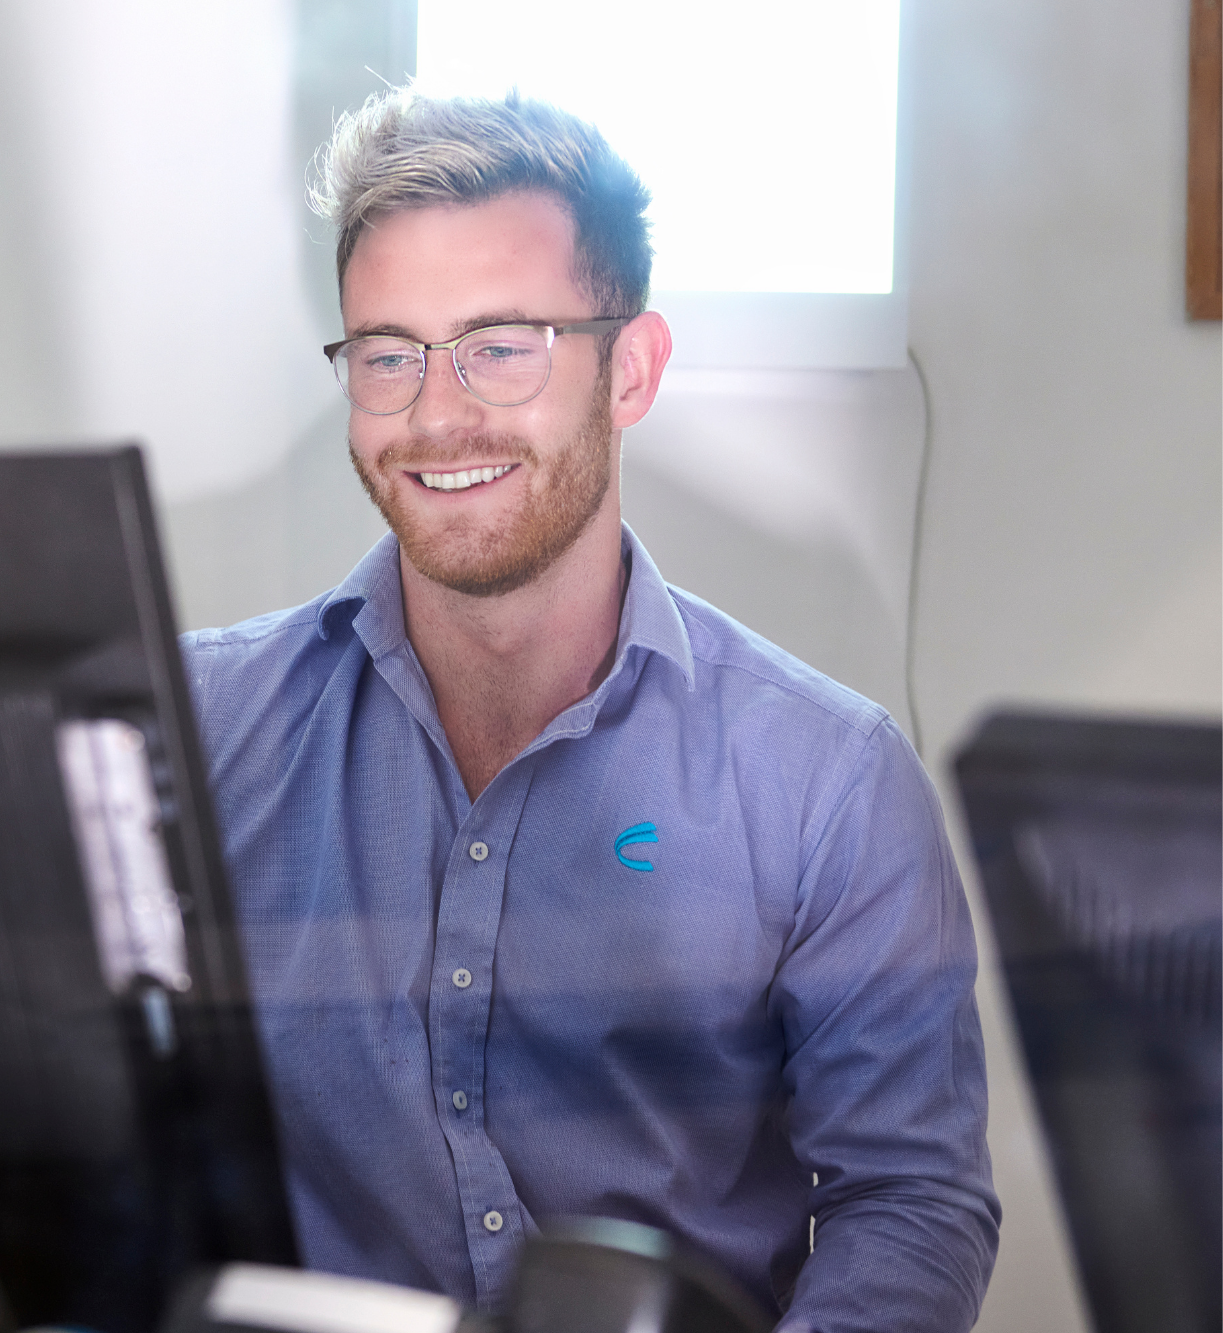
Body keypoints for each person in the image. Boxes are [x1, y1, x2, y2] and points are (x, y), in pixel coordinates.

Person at [180, 88, 1000, 1331]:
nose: (435, 413)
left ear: (631, 369)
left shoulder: (828, 783)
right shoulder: (194, 731)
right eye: (387, 353)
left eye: (501, 345)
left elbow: (910, 1200)